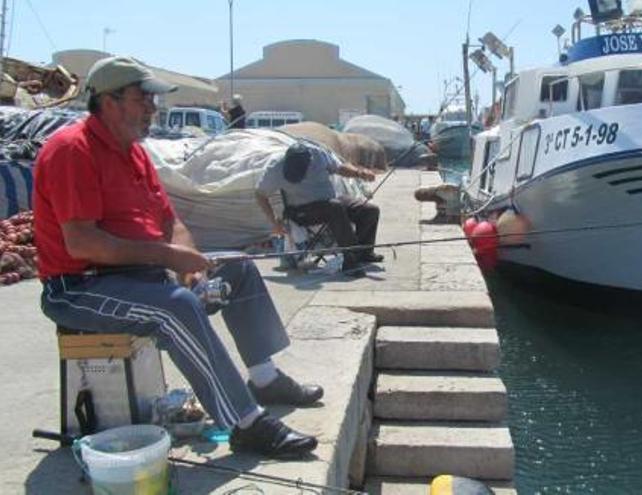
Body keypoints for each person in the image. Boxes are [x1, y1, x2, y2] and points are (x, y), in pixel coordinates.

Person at [33, 56, 321, 459]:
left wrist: (188, 261)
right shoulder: (71, 150)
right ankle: (246, 423)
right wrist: (168, 257)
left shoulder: (133, 154)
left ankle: (264, 377)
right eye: (143, 98)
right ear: (110, 101)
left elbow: (170, 222)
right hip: (80, 288)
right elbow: (83, 243)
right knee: (176, 308)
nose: (153, 107)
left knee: (237, 268)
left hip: (140, 275)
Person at [255, 141, 383, 277]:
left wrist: (359, 173)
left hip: (330, 201)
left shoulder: (317, 154)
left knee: (370, 210)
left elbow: (339, 168)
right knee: (335, 207)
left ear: (309, 161)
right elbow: (260, 194)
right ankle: (350, 260)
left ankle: (364, 253)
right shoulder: (276, 167)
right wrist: (274, 222)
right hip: (301, 211)